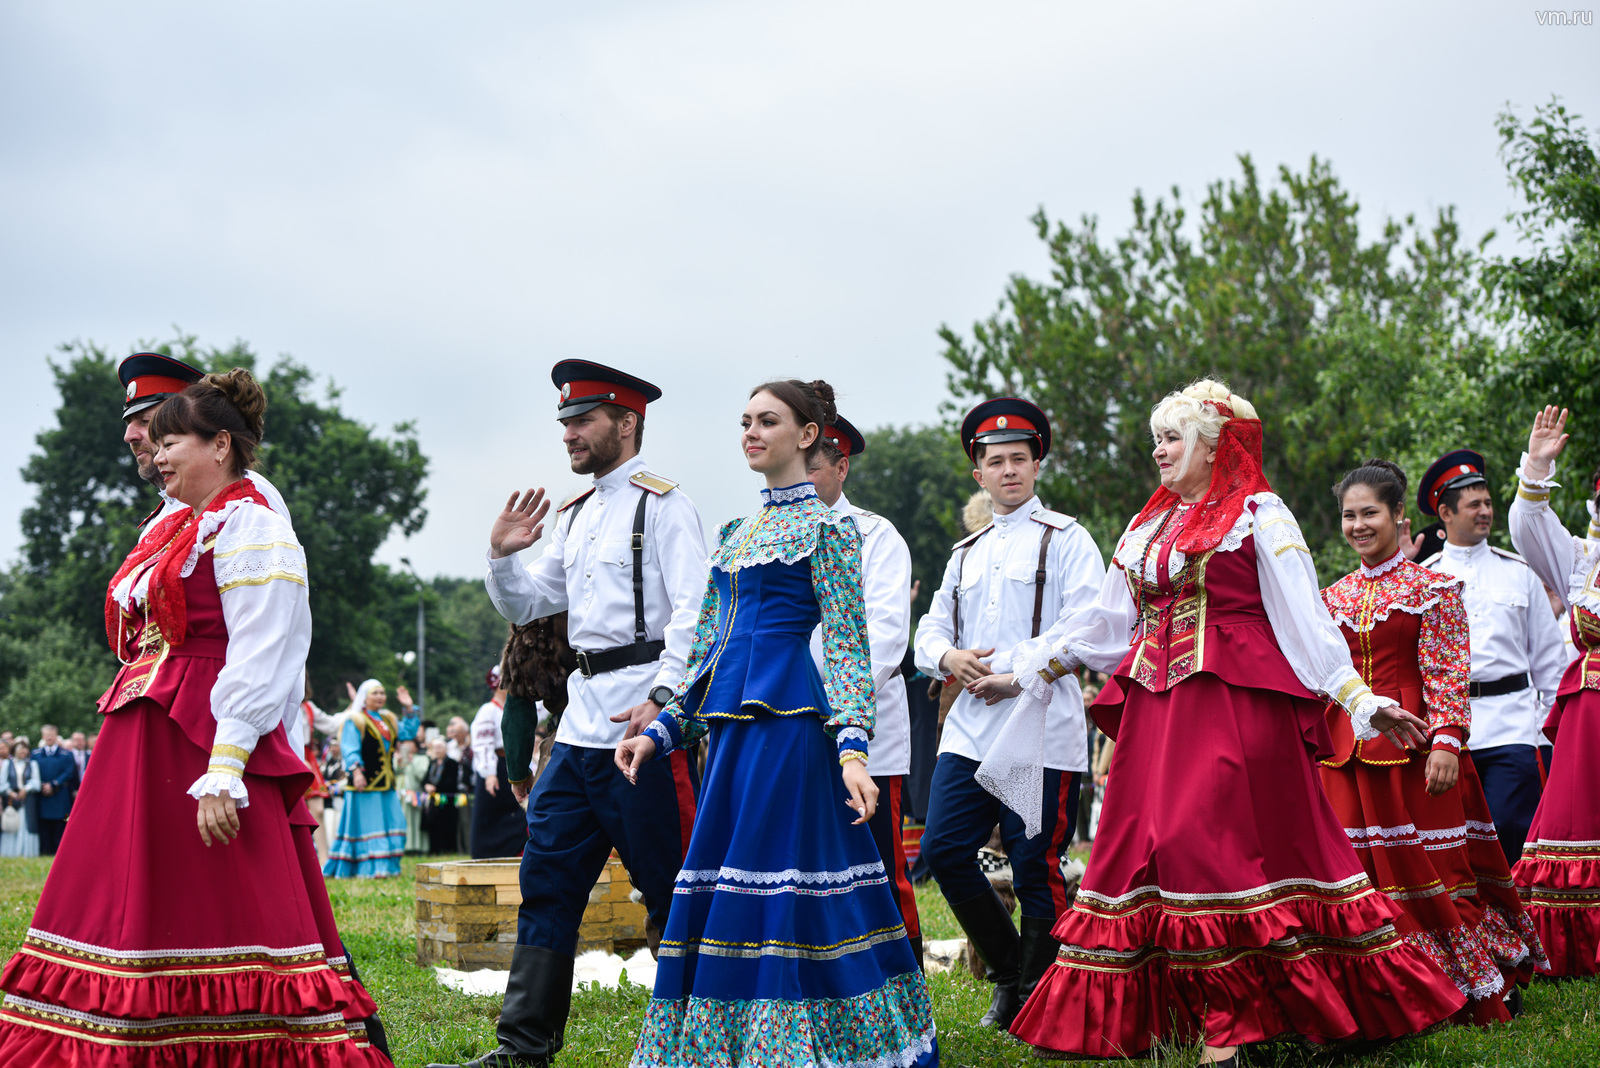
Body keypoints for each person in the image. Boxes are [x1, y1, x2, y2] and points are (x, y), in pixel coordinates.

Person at [973, 381, 1464, 1065]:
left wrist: (1356, 698)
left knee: (1209, 854)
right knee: (1148, 857)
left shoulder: (1258, 513)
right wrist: (1027, 670)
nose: (1160, 450)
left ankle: (1235, 1028)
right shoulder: (1148, 527)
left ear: (1213, 445)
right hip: (1159, 716)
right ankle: (1169, 1018)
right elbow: (1106, 624)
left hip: (1236, 707)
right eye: (1158, 438)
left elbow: (1303, 618)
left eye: (1174, 437)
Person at [0, 369, 387, 1064]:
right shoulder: (177, 521)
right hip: (146, 728)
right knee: (128, 904)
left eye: (170, 436)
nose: (153, 447)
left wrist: (226, 766)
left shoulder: (251, 518)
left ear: (221, 445)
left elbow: (264, 647)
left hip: (199, 731)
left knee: (227, 903)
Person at [616, 378, 936, 1068]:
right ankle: (729, 1045)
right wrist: (662, 730)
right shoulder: (734, 534)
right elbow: (709, 649)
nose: (751, 433)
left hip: (794, 731)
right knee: (730, 878)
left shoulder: (833, 531)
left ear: (808, 435)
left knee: (787, 882)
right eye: (745, 421)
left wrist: (853, 750)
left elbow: (850, 646)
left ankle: (794, 1045)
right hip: (731, 739)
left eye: (768, 420)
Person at [431, 361, 708, 1068]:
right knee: (545, 885)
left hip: (639, 733)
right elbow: (529, 608)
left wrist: (666, 701)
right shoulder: (577, 515)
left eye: (582, 420)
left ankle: (696, 1041)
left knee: (672, 888)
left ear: (627, 422)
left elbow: (697, 619)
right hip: (579, 730)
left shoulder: (665, 506)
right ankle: (522, 1051)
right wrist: (499, 556)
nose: (568, 434)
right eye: (564, 421)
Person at [1319, 460, 1545, 1023]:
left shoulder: (1436, 588)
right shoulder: (1332, 597)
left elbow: (1445, 670)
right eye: (1349, 515)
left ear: (1399, 515)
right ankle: (1374, 992)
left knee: (1439, 875)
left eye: (1370, 512)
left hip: (1418, 755)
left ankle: (1466, 984)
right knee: (1357, 874)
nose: (1358, 525)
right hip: (1346, 759)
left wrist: (1447, 738)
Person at [911, 396, 1106, 1028]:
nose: (1009, 472)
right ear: (979, 473)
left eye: (1019, 459)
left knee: (1034, 869)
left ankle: (1038, 994)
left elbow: (1094, 629)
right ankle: (1006, 970)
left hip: (1040, 727)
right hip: (969, 729)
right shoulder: (965, 551)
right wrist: (950, 658)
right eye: (995, 462)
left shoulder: (1068, 539)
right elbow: (930, 629)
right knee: (943, 851)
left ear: (1037, 464)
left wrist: (1014, 675)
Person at [806, 413, 924, 966]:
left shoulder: (877, 537)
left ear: (841, 466)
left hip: (865, 727)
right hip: (790, 727)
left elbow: (882, 638)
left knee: (879, 866)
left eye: (812, 465)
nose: (799, 477)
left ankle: (907, 988)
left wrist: (825, 697)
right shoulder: (766, 535)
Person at [1416, 449, 1568, 865]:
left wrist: (1547, 735)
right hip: (1447, 733)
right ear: (1445, 513)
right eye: (1473, 505)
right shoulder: (1424, 579)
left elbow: (1551, 665)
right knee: (1453, 852)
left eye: (1487, 503)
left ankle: (1519, 930)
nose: (1485, 512)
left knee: (1511, 840)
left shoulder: (1519, 572)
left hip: (1512, 729)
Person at [1506, 406, 1600, 976]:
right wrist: (1537, 469)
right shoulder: (1588, 564)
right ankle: (1574, 949)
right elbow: (1530, 531)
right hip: (1589, 712)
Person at [324, 679, 408, 878]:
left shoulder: (388, 720)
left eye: (382, 693)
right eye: (375, 693)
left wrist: (408, 707)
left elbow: (407, 733)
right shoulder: (356, 720)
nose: (380, 696)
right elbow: (349, 747)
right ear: (365, 697)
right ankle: (372, 869)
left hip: (386, 783)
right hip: (366, 782)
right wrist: (357, 772)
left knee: (395, 821)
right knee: (372, 826)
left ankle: (389, 866)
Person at [471, 665, 525, 859]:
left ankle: (517, 851)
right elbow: (482, 743)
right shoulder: (488, 710)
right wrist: (489, 774)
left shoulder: (514, 709)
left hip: (514, 765)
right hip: (497, 768)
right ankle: (487, 854)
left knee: (519, 812)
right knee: (492, 814)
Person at [31, 724, 79, 855]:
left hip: (60, 795)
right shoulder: (35, 754)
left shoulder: (66, 754)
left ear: (56, 735)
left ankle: (60, 853)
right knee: (44, 824)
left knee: (62, 821)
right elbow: (32, 771)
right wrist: (42, 785)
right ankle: (45, 851)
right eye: (46, 735)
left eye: (51, 734)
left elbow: (69, 772)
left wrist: (53, 784)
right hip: (42, 795)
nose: (49, 737)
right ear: (42, 736)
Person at [422, 737, 467, 854]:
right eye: (435, 748)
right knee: (433, 825)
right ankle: (434, 850)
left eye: (439, 747)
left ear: (445, 749)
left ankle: (448, 850)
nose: (437, 750)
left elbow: (452, 782)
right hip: (433, 800)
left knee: (447, 825)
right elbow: (425, 779)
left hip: (447, 800)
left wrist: (436, 788)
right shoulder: (432, 763)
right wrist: (426, 786)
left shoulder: (452, 763)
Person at [1, 740, 41, 858]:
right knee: (13, 824)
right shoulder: (8, 764)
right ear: (14, 751)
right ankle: (11, 852)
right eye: (20, 749)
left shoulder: (32, 764)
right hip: (12, 800)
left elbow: (36, 782)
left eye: (25, 749)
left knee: (27, 824)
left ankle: (27, 852)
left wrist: (26, 789)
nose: (23, 751)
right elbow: (2, 783)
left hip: (28, 800)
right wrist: (11, 792)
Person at [397, 737, 430, 855]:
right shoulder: (399, 758)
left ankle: (417, 846)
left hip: (416, 794)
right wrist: (399, 762)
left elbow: (421, 775)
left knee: (416, 820)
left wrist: (411, 762)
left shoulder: (422, 758)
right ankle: (404, 846)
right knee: (402, 820)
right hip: (401, 795)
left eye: (409, 744)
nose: (406, 747)